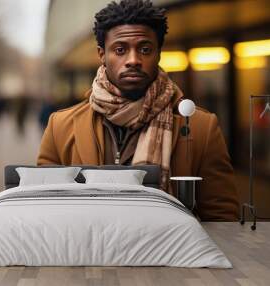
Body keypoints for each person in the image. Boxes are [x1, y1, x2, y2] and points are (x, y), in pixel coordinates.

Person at [37, 0, 239, 221]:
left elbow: (222, 220)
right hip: (87, 252)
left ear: (158, 54)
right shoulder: (60, 126)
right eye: (120, 49)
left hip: (168, 253)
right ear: (101, 54)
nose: (133, 60)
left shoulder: (201, 127)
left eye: (144, 49)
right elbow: (46, 211)